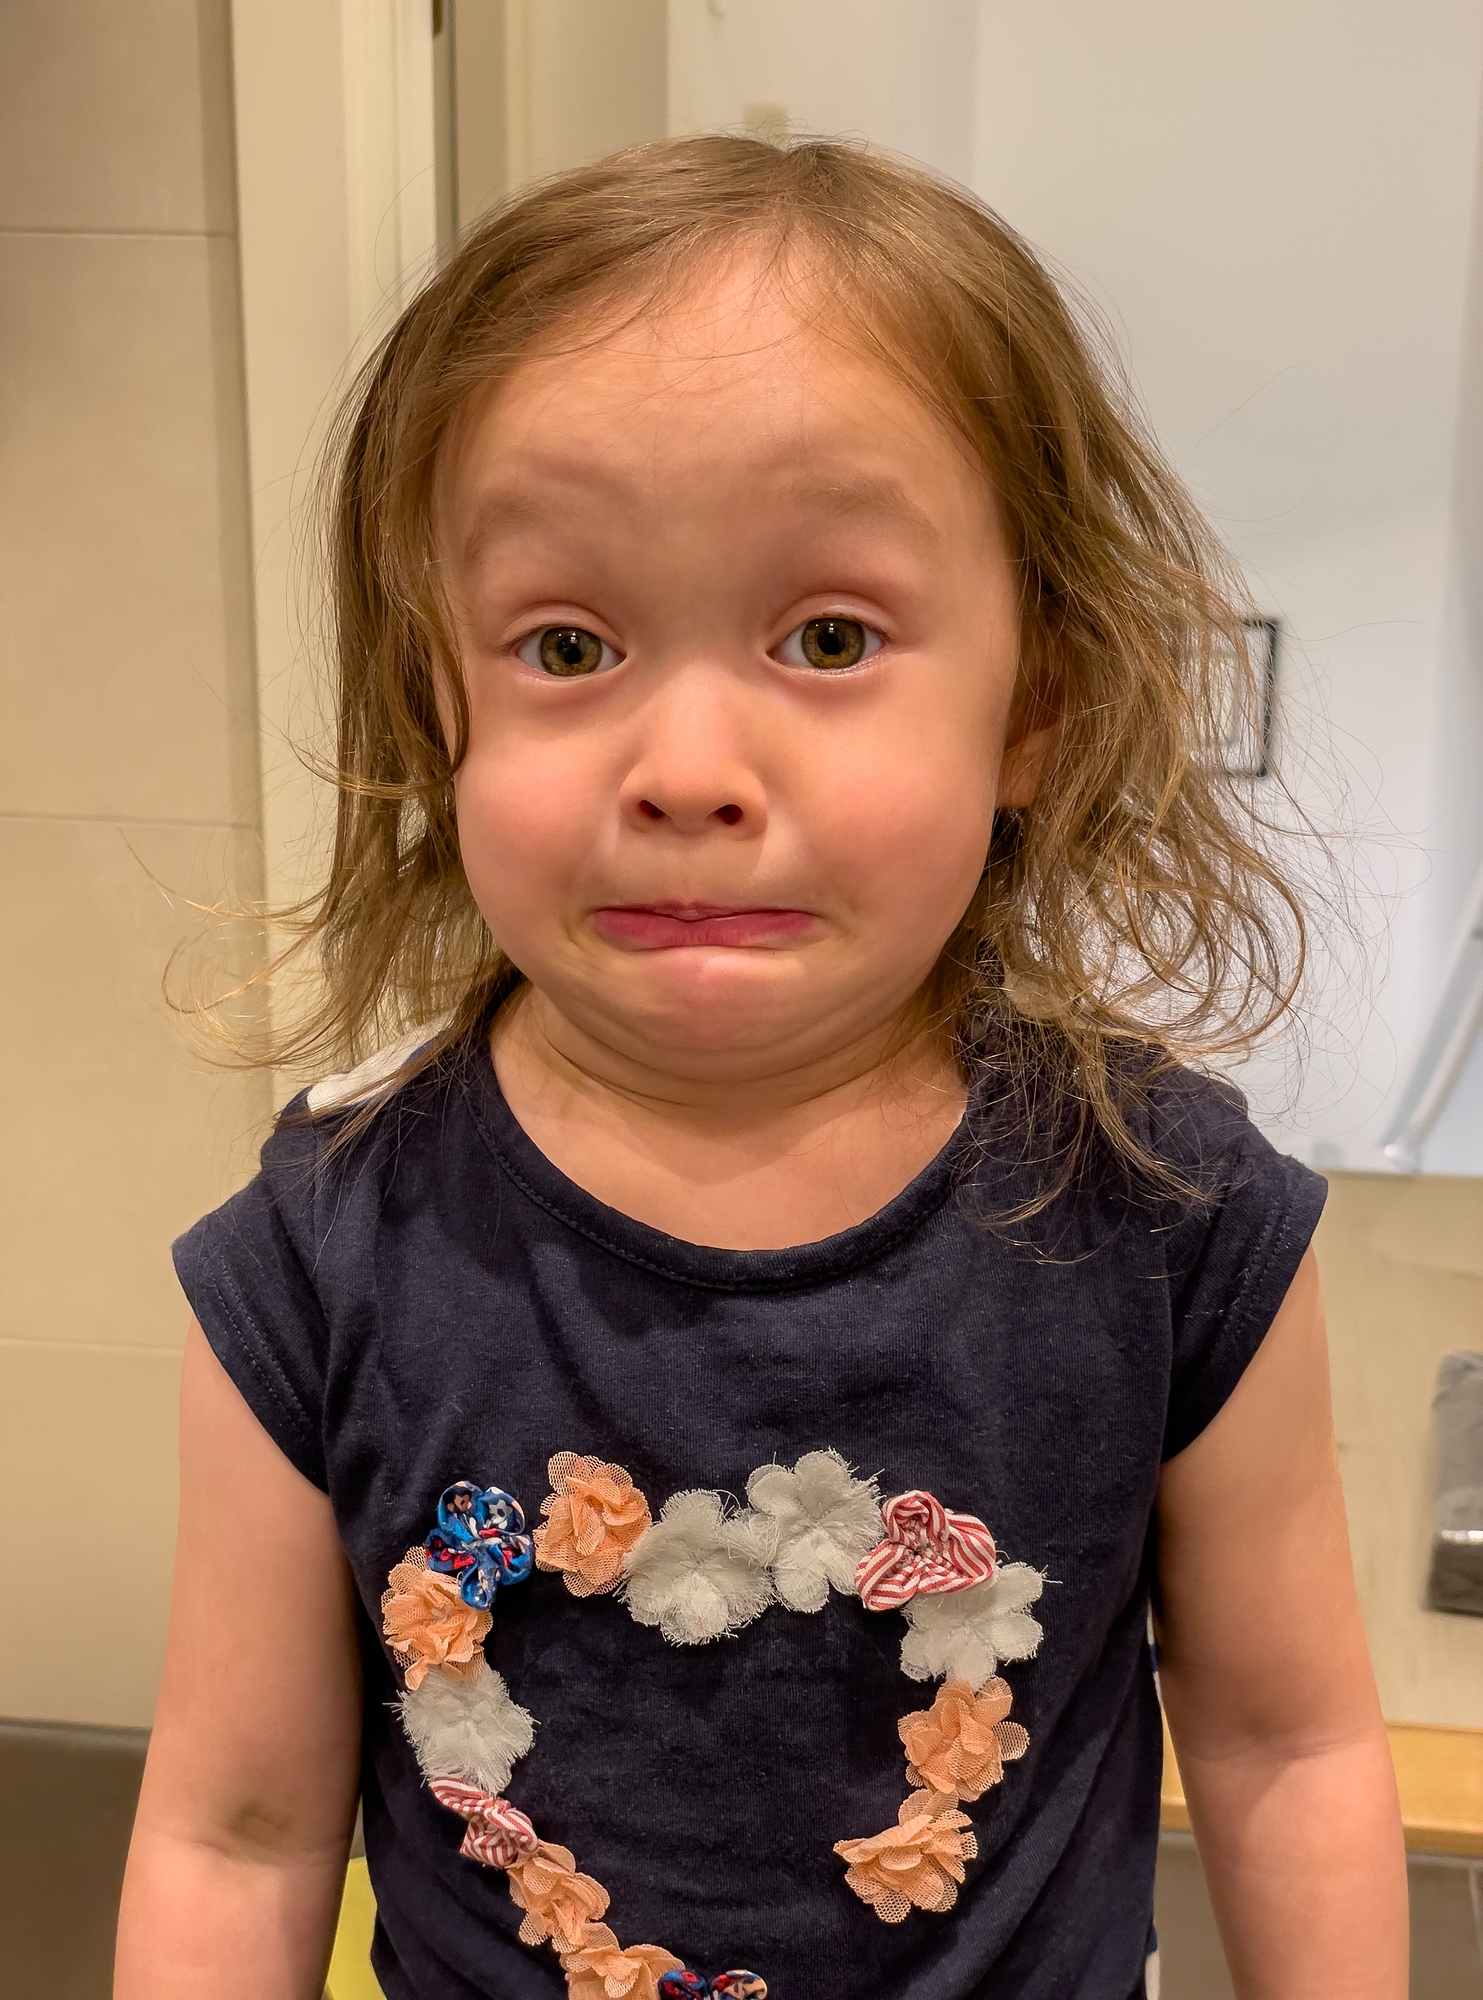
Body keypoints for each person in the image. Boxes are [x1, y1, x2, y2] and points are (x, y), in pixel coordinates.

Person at [114, 137, 1405, 2000]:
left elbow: (1291, 1754)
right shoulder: (318, 1258)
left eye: (827, 637)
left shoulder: (1171, 1219)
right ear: (438, 709)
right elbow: (231, 1832)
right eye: (569, 643)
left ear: (1033, 705)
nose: (690, 765)